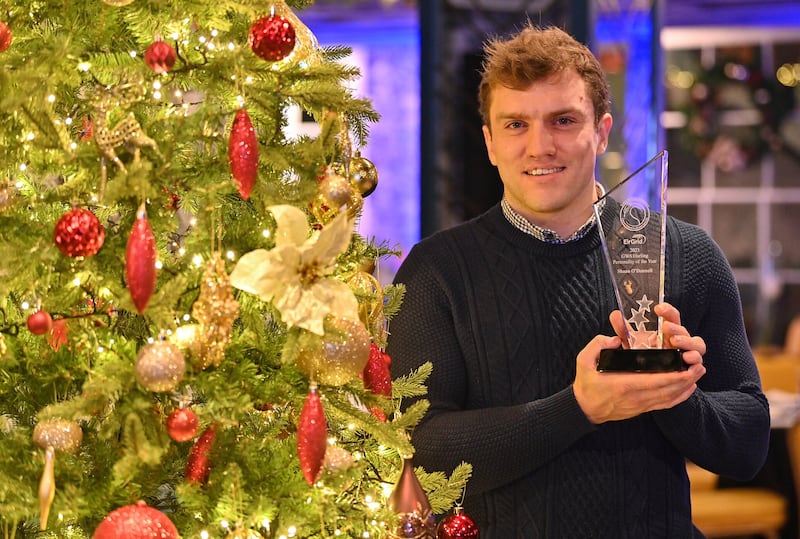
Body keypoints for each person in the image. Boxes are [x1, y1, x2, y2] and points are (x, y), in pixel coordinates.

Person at [386, 24, 770, 538]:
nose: (540, 146)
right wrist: (579, 407)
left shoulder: (686, 254)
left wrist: (673, 392)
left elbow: (747, 450)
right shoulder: (437, 271)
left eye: (563, 120)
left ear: (602, 132)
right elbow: (421, 451)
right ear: (490, 142)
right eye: (516, 124)